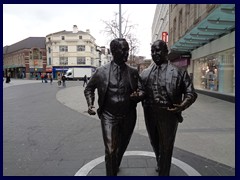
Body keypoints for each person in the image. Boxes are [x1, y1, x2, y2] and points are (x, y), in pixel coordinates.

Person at [133, 40, 197, 176]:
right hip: (150, 113)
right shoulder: (145, 73)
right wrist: (137, 95)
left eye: (158, 50)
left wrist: (183, 105)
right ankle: (160, 161)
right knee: (154, 142)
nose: (154, 54)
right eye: (152, 51)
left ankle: (164, 172)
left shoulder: (179, 72)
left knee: (166, 146)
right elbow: (141, 91)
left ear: (166, 52)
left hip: (168, 114)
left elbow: (191, 93)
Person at [84, 38, 140, 176]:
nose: (127, 52)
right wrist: (90, 104)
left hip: (128, 116)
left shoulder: (133, 72)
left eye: (128, 49)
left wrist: (139, 95)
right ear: (114, 51)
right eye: (124, 49)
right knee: (110, 150)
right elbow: (89, 89)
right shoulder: (101, 71)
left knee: (121, 147)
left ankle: (115, 164)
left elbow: (142, 89)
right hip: (109, 116)